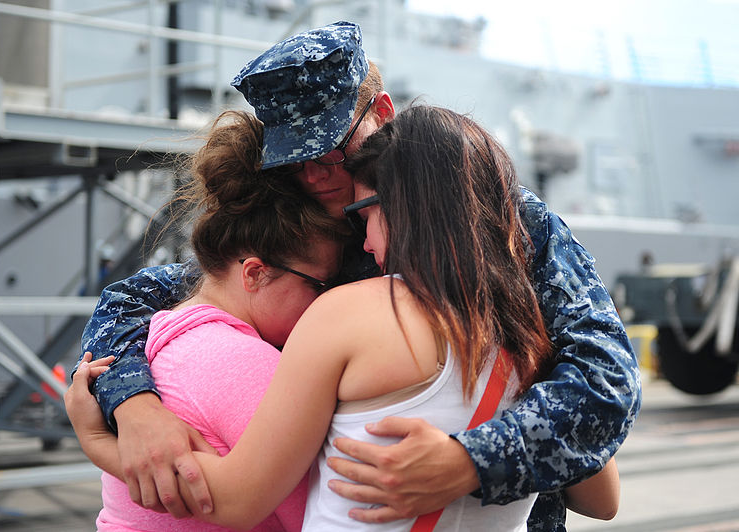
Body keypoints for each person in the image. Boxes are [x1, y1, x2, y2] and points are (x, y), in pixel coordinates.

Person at [76, 22, 640, 531]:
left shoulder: (506, 220)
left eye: (332, 149)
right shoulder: (311, 224)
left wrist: (469, 461)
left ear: (383, 112)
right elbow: (139, 297)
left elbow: (607, 382)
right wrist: (135, 406)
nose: (317, 175)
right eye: (294, 159)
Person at [69, 109, 346, 530]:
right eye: (320, 286)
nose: (327, 304)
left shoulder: (161, 331)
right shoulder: (243, 363)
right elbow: (322, 514)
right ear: (254, 272)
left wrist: (100, 440)